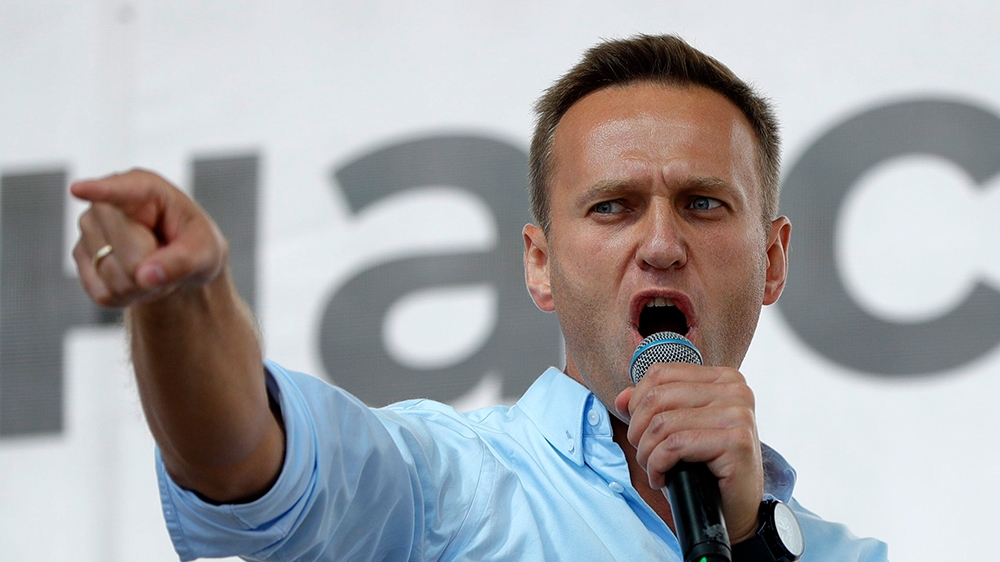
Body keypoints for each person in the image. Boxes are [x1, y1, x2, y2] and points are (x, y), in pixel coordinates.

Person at [72, 34, 888, 561]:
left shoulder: (844, 555)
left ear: (773, 259)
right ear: (539, 265)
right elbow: (246, 461)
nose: (662, 244)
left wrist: (749, 545)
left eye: (704, 204)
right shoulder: (446, 485)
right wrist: (181, 302)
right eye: (613, 206)